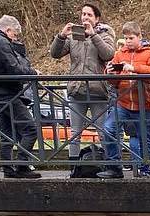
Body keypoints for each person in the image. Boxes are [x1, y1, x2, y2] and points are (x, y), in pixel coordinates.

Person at [50, 3, 116, 167]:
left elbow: (108, 54)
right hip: (76, 89)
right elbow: (55, 54)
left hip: (97, 90)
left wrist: (93, 35)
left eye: (89, 15)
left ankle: (108, 165)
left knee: (103, 131)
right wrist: (61, 36)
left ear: (97, 18)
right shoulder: (74, 36)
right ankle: (74, 166)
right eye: (83, 14)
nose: (85, 17)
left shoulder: (105, 35)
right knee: (75, 133)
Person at [0, 15, 41, 179]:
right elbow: (15, 69)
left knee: (8, 132)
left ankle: (8, 168)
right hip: (8, 94)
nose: (15, 38)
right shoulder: (2, 43)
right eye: (14, 34)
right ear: (8, 30)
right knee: (30, 129)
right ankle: (22, 166)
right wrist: (33, 72)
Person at [102, 21, 150, 178]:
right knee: (108, 128)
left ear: (139, 37)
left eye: (131, 38)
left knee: (144, 137)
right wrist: (109, 73)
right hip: (123, 101)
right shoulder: (119, 54)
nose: (128, 41)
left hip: (144, 103)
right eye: (126, 38)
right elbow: (114, 82)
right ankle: (114, 166)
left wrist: (134, 68)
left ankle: (145, 169)